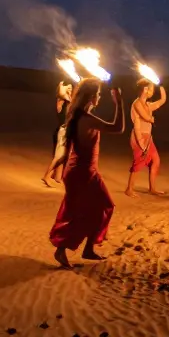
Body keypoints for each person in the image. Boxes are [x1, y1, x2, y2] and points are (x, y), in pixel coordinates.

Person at [51, 77, 125, 268]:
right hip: (81, 174)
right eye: (99, 94)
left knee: (104, 206)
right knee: (81, 213)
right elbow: (118, 128)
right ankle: (61, 250)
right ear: (93, 96)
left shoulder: (78, 114)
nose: (100, 96)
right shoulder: (85, 118)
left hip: (87, 172)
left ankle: (88, 249)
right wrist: (120, 103)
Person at [125, 79, 167, 197]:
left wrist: (161, 86)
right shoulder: (137, 103)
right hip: (140, 137)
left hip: (148, 138)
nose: (152, 92)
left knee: (155, 161)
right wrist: (152, 119)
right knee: (138, 163)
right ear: (145, 89)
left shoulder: (147, 104)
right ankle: (129, 189)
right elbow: (146, 117)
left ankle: (152, 188)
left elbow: (162, 101)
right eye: (151, 89)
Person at [41, 81, 74, 188]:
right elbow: (61, 93)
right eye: (68, 88)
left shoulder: (69, 100)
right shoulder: (62, 99)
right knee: (59, 156)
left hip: (66, 131)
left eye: (71, 88)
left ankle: (54, 176)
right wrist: (61, 85)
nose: (70, 90)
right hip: (62, 131)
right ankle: (46, 176)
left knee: (65, 156)